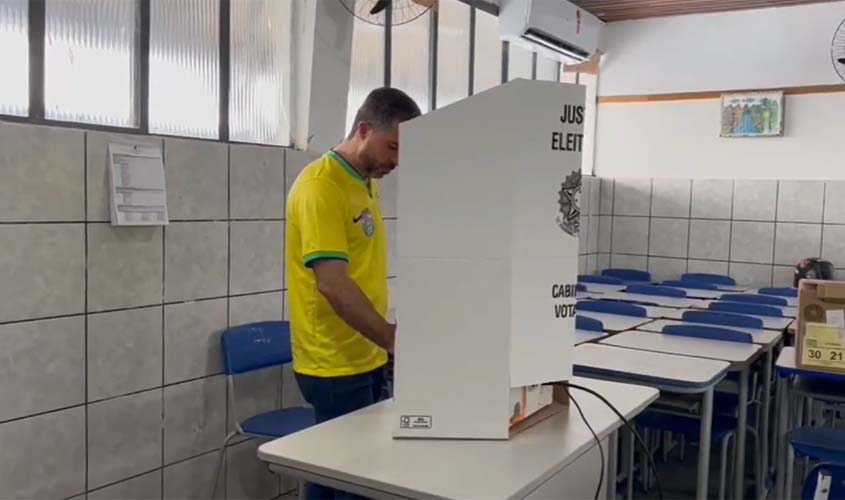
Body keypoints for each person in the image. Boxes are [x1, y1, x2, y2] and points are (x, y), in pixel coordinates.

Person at [285, 87, 421, 499]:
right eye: (392, 147)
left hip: (366, 356)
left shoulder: (363, 182)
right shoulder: (321, 186)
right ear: (364, 129)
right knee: (339, 482)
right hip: (332, 363)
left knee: (361, 477)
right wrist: (393, 339)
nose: (396, 161)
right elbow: (333, 284)